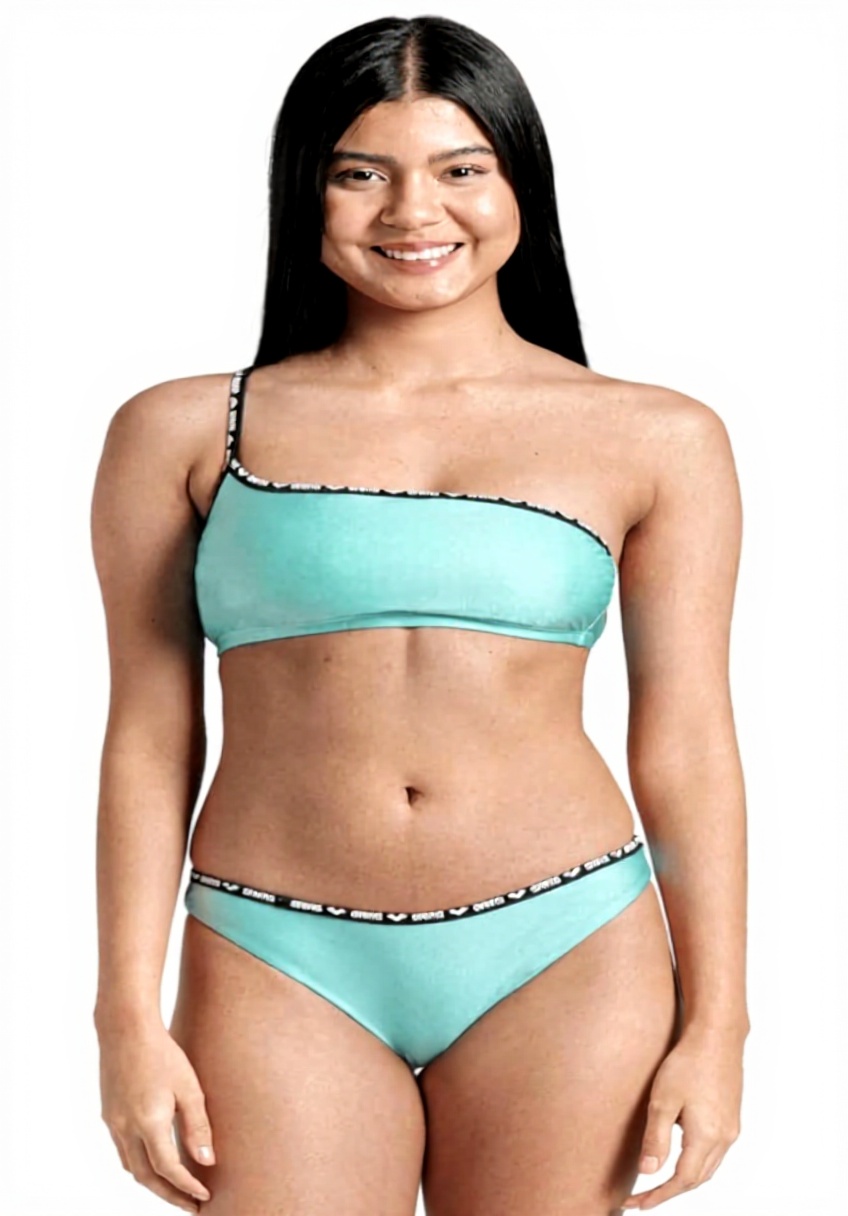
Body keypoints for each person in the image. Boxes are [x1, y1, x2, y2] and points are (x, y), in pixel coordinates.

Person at [91, 14, 749, 1216]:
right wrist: (124, 1017)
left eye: (458, 169)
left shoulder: (656, 437)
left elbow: (687, 739)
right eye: (361, 173)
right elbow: (147, 732)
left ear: (518, 184)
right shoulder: (181, 432)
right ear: (304, 188)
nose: (411, 212)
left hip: (565, 946)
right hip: (277, 949)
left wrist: (719, 1023)